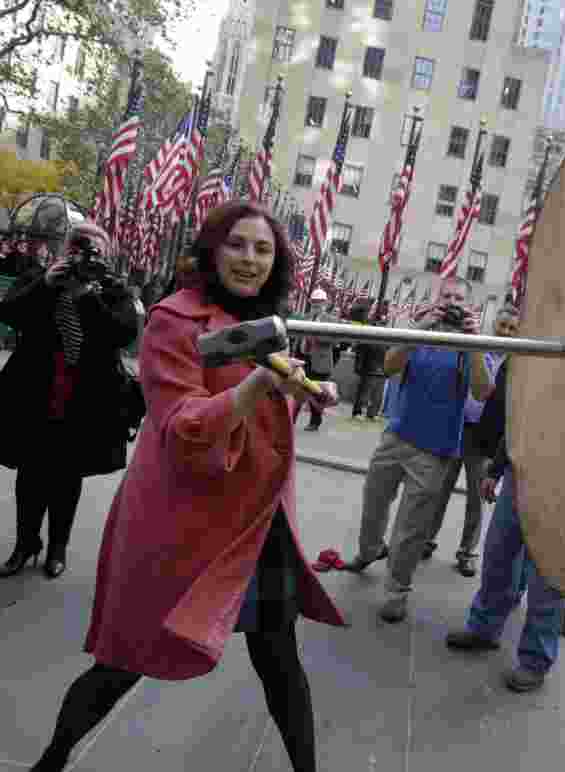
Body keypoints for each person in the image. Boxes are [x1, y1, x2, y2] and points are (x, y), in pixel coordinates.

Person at [26, 201, 345, 772]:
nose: (250, 259)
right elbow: (184, 426)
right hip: (182, 522)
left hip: (255, 522)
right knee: (123, 662)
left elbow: (267, 402)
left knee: (279, 658)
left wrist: (305, 389)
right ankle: (51, 762)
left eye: (263, 249)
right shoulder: (174, 319)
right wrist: (258, 384)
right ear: (212, 251)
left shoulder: (267, 317)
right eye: (237, 245)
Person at [341, 276, 492, 624]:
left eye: (459, 298)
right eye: (447, 296)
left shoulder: (470, 343)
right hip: (396, 436)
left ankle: (397, 590)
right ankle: (369, 551)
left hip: (434, 451)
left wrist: (472, 343)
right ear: (436, 299)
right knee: (374, 501)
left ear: (469, 307)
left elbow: (483, 392)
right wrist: (419, 328)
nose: (452, 303)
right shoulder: (419, 330)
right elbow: (390, 366)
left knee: (411, 527)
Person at [0, 222, 140, 580]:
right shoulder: (41, 277)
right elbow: (9, 312)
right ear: (66, 249)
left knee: (67, 476)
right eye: (78, 247)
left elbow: (123, 334)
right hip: (34, 392)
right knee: (30, 474)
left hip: (85, 400)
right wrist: (47, 284)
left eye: (94, 249)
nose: (85, 255)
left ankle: (57, 547)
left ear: (105, 254)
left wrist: (89, 297)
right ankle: (25, 544)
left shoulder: (112, 288)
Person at [445, 352, 565, 693]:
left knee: (547, 575)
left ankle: (535, 660)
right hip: (520, 471)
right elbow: (518, 417)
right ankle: (484, 628)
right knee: (499, 553)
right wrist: (497, 468)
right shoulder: (531, 352)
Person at [422, 305, 521, 577]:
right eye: (503, 326)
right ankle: (426, 540)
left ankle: (467, 552)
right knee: (440, 490)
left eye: (512, 328)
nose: (507, 332)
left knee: (476, 501)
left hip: (487, 439)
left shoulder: (519, 364)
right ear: (494, 326)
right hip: (458, 429)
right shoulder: (476, 348)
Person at [296, 288, 337, 431]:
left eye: (319, 302)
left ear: (325, 303)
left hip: (320, 362)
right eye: (314, 302)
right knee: (298, 391)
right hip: (303, 359)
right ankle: (291, 419)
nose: (316, 305)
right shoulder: (305, 317)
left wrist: (315, 333)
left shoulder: (331, 320)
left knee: (317, 393)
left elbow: (333, 340)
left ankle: (314, 422)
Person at [351, 312, 388, 422]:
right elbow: (360, 353)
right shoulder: (368, 337)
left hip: (381, 370)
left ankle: (373, 413)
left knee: (377, 395)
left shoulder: (387, 339)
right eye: (380, 323)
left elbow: (388, 355)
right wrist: (358, 367)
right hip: (369, 369)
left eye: (383, 323)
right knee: (364, 393)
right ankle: (358, 412)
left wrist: (387, 371)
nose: (382, 325)